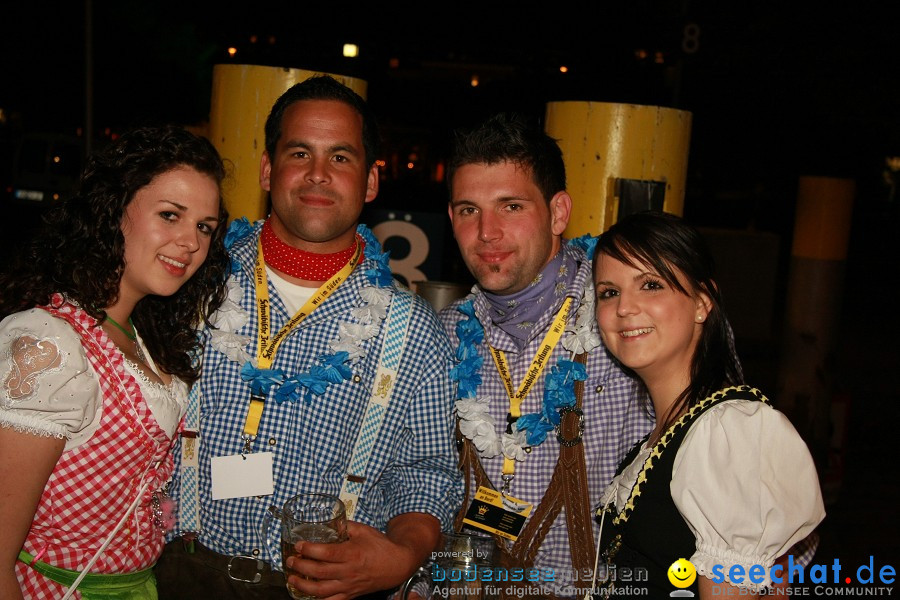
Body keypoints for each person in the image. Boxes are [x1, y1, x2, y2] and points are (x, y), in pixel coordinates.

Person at [154, 75, 463, 600]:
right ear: (268, 170)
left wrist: (403, 555)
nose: (318, 174)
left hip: (322, 589)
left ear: (370, 181)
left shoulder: (413, 329)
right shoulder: (186, 281)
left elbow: (428, 473)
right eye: (300, 152)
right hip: (173, 576)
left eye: (341, 157)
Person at [0, 125, 230, 599]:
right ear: (113, 213)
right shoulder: (48, 341)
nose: (190, 242)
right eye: (170, 215)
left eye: (204, 227)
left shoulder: (139, 332)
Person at [439, 112, 655, 600]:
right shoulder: (445, 335)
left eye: (510, 206)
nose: (487, 232)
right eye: (469, 210)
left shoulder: (626, 326)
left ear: (558, 213)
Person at [592, 210, 825, 598]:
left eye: (650, 284)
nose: (624, 307)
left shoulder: (730, 431)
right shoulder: (663, 435)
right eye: (609, 292)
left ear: (702, 302)